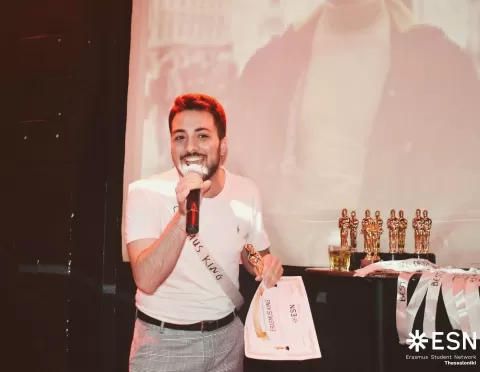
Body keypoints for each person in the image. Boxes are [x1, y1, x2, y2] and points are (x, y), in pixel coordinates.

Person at [228, 0, 480, 265]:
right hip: (291, 274)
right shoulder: (269, 67)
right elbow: (237, 185)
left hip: (389, 277)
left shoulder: (442, 66)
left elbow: (464, 190)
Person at [125, 93, 283, 372]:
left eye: (202, 136)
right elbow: (146, 279)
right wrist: (182, 216)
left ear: (222, 146)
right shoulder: (144, 191)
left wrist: (265, 264)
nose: (190, 148)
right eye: (180, 137)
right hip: (164, 345)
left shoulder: (247, 191)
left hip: (228, 340)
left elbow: (252, 253)